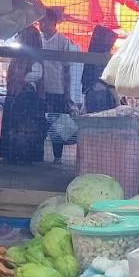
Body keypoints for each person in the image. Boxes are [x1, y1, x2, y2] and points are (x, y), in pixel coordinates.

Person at [39, 8, 82, 163]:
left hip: (57, 90)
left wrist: (67, 93)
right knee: (41, 123)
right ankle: (39, 154)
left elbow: (67, 69)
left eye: (42, 21)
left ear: (52, 22)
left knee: (57, 123)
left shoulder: (62, 41)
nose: (39, 24)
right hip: (41, 89)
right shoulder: (38, 39)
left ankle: (57, 157)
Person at [0, 27, 45, 165]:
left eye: (21, 35)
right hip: (16, 95)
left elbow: (38, 74)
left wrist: (21, 79)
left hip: (27, 98)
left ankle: (25, 155)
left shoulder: (34, 57)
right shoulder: (19, 56)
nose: (18, 38)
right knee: (14, 126)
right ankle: (12, 154)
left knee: (25, 127)